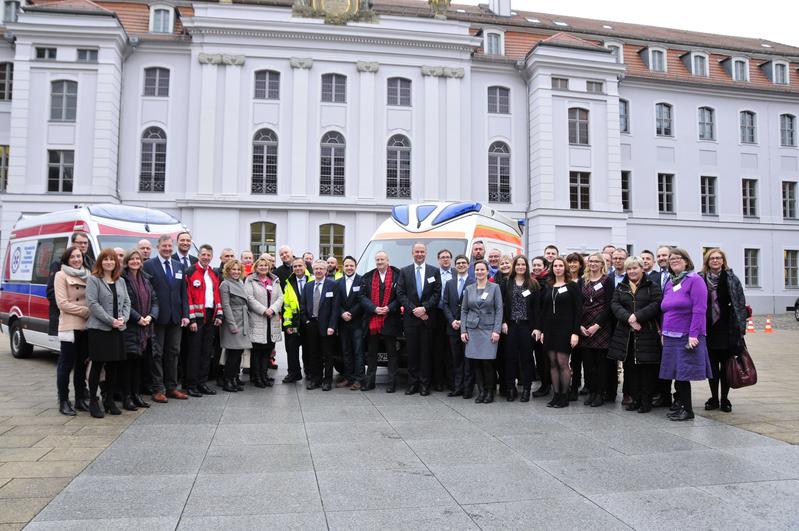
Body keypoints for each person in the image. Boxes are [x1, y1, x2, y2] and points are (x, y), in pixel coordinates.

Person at [660, 248, 712, 421]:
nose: (673, 260)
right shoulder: (670, 282)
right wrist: (662, 331)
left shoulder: (695, 280)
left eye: (678, 258)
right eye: (671, 258)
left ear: (686, 262)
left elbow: (700, 310)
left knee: (684, 374)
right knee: (676, 373)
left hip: (686, 335)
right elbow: (665, 309)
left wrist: (694, 334)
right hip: (669, 336)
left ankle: (688, 410)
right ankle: (681, 405)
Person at [608, 256, 663, 413]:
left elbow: (656, 304)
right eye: (629, 268)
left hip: (647, 333)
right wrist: (629, 318)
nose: (632, 271)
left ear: (642, 268)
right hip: (626, 335)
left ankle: (646, 401)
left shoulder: (652, 286)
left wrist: (637, 316)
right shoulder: (621, 286)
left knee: (646, 369)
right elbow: (615, 304)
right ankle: (635, 399)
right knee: (630, 369)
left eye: (635, 268)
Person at [143, 235, 190, 403]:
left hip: (176, 318)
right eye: (164, 246)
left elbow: (183, 293)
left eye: (170, 246)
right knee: (157, 353)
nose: (168, 249)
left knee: (174, 353)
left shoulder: (179, 266)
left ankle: (171, 387)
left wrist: (186, 314)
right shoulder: (149, 265)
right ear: (158, 246)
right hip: (157, 317)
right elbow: (147, 292)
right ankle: (158, 389)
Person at [700, 248, 747, 413]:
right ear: (707, 261)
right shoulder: (700, 278)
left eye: (718, 258)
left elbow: (740, 303)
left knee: (727, 366)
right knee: (712, 367)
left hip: (728, 329)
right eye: (712, 258)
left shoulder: (731, 278)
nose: (715, 260)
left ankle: (725, 399)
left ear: (723, 260)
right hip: (708, 328)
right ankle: (713, 398)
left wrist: (741, 328)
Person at [85, 249, 131, 418]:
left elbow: (127, 302)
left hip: (117, 329)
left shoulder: (121, 281)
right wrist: (110, 320)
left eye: (112, 259)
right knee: (97, 366)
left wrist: (123, 319)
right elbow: (93, 304)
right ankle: (93, 401)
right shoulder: (93, 280)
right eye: (106, 259)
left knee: (113, 366)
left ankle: (109, 400)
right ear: (100, 262)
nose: (109, 262)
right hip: (99, 329)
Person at [397, 243, 441, 396]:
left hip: (428, 319)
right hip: (411, 319)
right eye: (417, 251)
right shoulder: (404, 271)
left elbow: (437, 293)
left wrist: (425, 308)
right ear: (412, 253)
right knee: (412, 353)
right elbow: (401, 293)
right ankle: (412, 383)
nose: (419, 254)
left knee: (426, 353)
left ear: (426, 253)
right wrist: (414, 309)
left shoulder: (434, 271)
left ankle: (424, 384)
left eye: (422, 251)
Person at [538, 256, 581, 408]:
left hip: (566, 330)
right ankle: (556, 395)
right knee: (553, 363)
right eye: (555, 266)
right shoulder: (549, 286)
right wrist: (542, 330)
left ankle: (564, 396)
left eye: (560, 266)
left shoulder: (572, 286)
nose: (557, 268)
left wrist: (575, 332)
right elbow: (544, 310)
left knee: (563, 362)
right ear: (552, 269)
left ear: (565, 268)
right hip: (549, 330)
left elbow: (578, 310)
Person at [53, 245, 91, 416]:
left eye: (79, 256)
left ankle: (80, 399)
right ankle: (63, 401)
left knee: (82, 366)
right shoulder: (61, 275)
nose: (76, 259)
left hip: (87, 326)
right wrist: (84, 311)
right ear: (67, 259)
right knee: (66, 364)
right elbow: (62, 303)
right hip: (70, 324)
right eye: (73, 257)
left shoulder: (88, 274)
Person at [461, 260, 503, 404]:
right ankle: (481, 392)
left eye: (482, 269)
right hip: (473, 330)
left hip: (488, 329)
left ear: (487, 271)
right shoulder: (469, 288)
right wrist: (463, 330)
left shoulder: (494, 287)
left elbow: (499, 309)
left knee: (487, 363)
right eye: (477, 270)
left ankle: (490, 392)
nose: (479, 272)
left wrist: (496, 330)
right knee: (476, 364)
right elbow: (464, 310)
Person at [183, 244, 223, 397]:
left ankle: (202, 383)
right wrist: (191, 319)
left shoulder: (213, 273)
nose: (206, 257)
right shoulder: (191, 272)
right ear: (199, 255)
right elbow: (188, 297)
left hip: (210, 316)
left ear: (212, 257)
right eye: (203, 254)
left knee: (207, 352)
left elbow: (216, 295)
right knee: (194, 352)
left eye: (208, 255)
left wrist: (219, 314)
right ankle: (191, 384)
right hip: (197, 318)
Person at [121, 249, 158, 411]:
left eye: (138, 259)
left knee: (139, 365)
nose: (135, 261)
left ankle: (136, 396)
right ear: (127, 262)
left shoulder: (146, 279)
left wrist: (151, 316)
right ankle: (127, 397)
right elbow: (124, 302)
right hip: (130, 328)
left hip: (145, 329)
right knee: (128, 366)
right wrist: (138, 318)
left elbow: (155, 301)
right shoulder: (122, 279)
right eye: (132, 259)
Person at [360, 251, 402, 392]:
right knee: (372, 353)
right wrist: (374, 308)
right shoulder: (368, 277)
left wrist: (389, 308)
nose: (379, 262)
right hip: (373, 319)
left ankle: (391, 383)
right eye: (377, 259)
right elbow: (362, 297)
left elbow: (401, 295)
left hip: (390, 319)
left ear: (387, 260)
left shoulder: (397, 275)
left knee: (392, 353)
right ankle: (369, 382)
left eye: (382, 259)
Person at [500, 255, 540, 402]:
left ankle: (527, 390)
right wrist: (503, 322)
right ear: (514, 266)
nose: (520, 267)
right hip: (510, 325)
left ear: (526, 266)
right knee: (510, 358)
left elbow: (537, 309)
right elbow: (501, 304)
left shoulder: (533, 284)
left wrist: (537, 328)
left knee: (527, 359)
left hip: (526, 326)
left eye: (523, 264)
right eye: (518, 264)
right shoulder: (506, 283)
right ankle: (511, 388)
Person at [577, 252, 614, 407]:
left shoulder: (607, 281)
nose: (592, 264)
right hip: (584, 326)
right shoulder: (582, 281)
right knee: (588, 363)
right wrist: (579, 325)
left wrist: (597, 325)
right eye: (590, 261)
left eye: (596, 261)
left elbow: (609, 305)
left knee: (601, 364)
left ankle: (600, 393)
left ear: (602, 264)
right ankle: (592, 392)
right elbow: (578, 304)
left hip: (601, 327)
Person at [245, 257, 284, 387]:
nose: (263, 267)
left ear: (269, 267)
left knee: (267, 350)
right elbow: (249, 298)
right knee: (257, 351)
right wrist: (263, 310)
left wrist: (272, 309)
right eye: (260, 265)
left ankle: (264, 375)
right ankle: (256, 377)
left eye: (265, 265)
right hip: (258, 319)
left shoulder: (274, 280)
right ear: (256, 267)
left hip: (271, 320)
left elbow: (280, 297)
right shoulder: (250, 280)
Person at [47, 232, 94, 338]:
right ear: (72, 243)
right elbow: (51, 293)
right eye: (80, 242)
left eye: (85, 243)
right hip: (67, 319)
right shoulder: (59, 265)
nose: (83, 245)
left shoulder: (91, 265)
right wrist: (73, 310)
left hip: (88, 320)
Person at [300, 260, 338, 390]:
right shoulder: (308, 286)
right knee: (313, 353)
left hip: (327, 326)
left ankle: (327, 380)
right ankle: (316, 379)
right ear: (313, 270)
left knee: (327, 354)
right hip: (312, 325)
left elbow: (335, 308)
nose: (318, 271)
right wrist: (306, 321)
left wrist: (332, 326)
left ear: (326, 270)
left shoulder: (332, 285)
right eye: (316, 269)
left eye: (321, 269)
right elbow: (303, 306)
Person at [442, 254, 474, 398]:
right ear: (455, 266)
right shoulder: (449, 283)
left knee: (468, 359)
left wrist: (463, 322)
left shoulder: (474, 282)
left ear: (468, 265)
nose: (461, 265)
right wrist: (452, 321)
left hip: (468, 328)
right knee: (456, 359)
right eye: (458, 263)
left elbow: (474, 306)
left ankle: (468, 389)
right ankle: (457, 387)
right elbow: (445, 304)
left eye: (463, 263)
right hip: (453, 327)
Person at [219, 259, 251, 392]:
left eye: (238, 269)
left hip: (243, 319)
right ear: (228, 270)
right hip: (233, 320)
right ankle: (227, 381)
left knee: (239, 352)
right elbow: (225, 305)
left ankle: (234, 378)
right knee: (233, 352)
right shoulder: (225, 284)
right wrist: (232, 324)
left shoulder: (240, 283)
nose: (236, 272)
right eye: (233, 269)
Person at [336, 256, 365, 390]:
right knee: (346, 351)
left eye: (351, 266)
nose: (349, 268)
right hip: (343, 323)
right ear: (343, 267)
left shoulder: (362, 281)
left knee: (358, 351)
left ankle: (359, 379)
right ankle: (349, 377)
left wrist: (351, 313)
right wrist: (342, 313)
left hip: (357, 322)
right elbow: (336, 302)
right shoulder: (338, 282)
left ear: (355, 266)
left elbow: (362, 300)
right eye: (346, 266)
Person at [281, 257, 310, 383]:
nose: (297, 268)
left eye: (300, 266)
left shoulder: (312, 280)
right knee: (291, 350)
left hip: (309, 321)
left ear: (305, 267)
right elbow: (286, 306)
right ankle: (294, 373)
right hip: (294, 322)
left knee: (309, 349)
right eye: (295, 266)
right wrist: (287, 324)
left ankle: (309, 372)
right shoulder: (289, 283)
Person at [566, 252, 587, 397]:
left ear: (580, 264)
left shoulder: (584, 281)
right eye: (570, 262)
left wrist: (578, 324)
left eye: (575, 262)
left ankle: (575, 386)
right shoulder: (563, 280)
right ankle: (564, 385)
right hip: (563, 324)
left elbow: (582, 305)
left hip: (578, 324)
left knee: (576, 358)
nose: (572, 264)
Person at [433, 249, 454, 392]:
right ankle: (439, 381)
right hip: (437, 314)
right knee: (438, 348)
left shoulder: (456, 272)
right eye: (442, 257)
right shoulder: (433, 274)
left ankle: (452, 381)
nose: (445, 260)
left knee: (452, 349)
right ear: (438, 260)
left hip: (453, 316)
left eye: (447, 257)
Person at [530, 256, 551, 398]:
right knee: (539, 356)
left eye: (539, 265)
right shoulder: (531, 281)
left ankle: (547, 385)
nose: (536, 267)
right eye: (534, 265)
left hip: (545, 325)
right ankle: (544, 383)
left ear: (545, 266)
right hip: (533, 324)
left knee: (546, 358)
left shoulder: (549, 281)